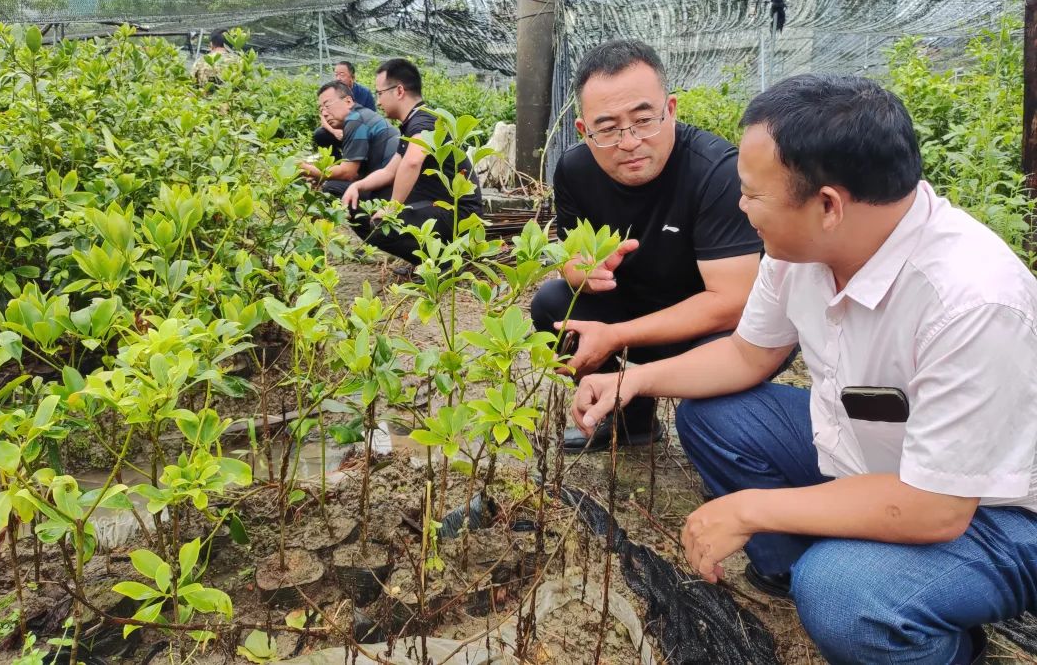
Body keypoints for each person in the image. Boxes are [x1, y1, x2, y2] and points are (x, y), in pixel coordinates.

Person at [570, 74, 1037, 665]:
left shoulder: (971, 301)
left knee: (842, 594)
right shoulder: (802, 253)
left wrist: (749, 509)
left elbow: (938, 507)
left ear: (828, 205)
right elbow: (747, 355)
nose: (741, 208)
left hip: (995, 514)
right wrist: (630, 379)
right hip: (875, 459)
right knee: (716, 417)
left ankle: (922, 633)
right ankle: (811, 569)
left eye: (753, 195)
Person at [532, 39, 762, 451]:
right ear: (585, 131)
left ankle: (730, 446)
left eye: (644, 120)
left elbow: (734, 301)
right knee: (553, 304)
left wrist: (616, 335)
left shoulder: (716, 172)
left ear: (670, 110)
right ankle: (631, 421)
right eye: (608, 128)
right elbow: (570, 258)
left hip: (707, 324)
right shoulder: (574, 170)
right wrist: (582, 273)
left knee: (720, 385)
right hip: (633, 306)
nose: (629, 141)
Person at [354, 57, 483, 266]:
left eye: (380, 93)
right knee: (362, 202)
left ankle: (442, 263)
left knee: (382, 226)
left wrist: (392, 209)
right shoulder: (412, 123)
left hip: (459, 216)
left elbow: (413, 162)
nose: (378, 102)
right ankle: (426, 260)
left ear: (399, 91)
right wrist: (356, 187)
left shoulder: (424, 121)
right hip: (438, 208)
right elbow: (389, 172)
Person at [300, 81, 400, 206]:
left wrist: (310, 170)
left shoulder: (356, 121)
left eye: (327, 105)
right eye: (321, 109)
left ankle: (368, 224)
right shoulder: (361, 115)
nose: (324, 113)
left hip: (391, 192)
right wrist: (321, 175)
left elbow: (348, 173)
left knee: (331, 188)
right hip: (391, 182)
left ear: (348, 101)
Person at [311, 61, 378, 159]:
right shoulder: (332, 92)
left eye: (342, 75)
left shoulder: (364, 93)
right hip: (339, 132)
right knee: (320, 134)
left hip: (359, 132)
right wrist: (334, 131)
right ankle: (335, 161)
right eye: (336, 75)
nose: (338, 78)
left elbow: (372, 119)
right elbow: (323, 118)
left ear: (352, 77)